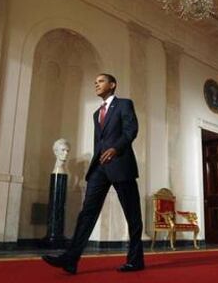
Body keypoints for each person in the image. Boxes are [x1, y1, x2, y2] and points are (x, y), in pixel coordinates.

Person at [42, 73, 144, 274]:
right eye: (95, 82)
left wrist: (116, 148)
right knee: (87, 213)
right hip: (99, 167)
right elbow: (99, 142)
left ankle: (136, 260)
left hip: (121, 164)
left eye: (101, 81)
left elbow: (131, 130)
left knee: (132, 214)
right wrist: (96, 160)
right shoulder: (96, 113)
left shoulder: (124, 104)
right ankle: (71, 259)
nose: (96, 84)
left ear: (112, 84)